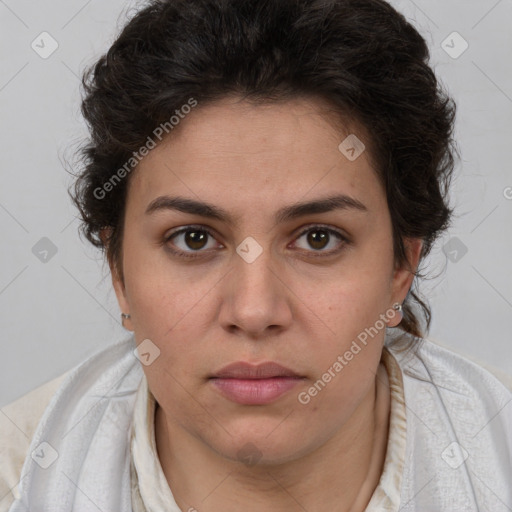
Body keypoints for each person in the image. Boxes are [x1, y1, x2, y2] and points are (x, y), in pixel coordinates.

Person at [1, 0, 511, 511]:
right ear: (119, 272)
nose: (254, 311)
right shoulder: (19, 480)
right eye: (193, 239)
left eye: (318, 238)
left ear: (401, 268)